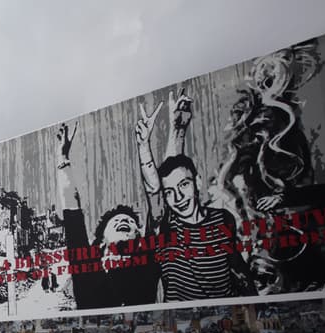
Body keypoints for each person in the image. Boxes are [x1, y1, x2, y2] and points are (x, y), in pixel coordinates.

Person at [135, 90, 256, 302]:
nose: (178, 197)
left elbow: (238, 269)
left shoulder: (222, 219)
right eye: (170, 193)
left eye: (184, 185)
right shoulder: (166, 225)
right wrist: (144, 146)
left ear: (198, 182)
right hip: (181, 323)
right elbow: (155, 188)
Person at [56, 122, 160, 309]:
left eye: (129, 221)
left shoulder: (146, 267)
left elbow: (156, 200)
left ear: (139, 235)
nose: (123, 221)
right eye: (117, 221)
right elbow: (72, 211)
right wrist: (63, 157)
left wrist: (144, 147)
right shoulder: (86, 268)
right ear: (101, 240)